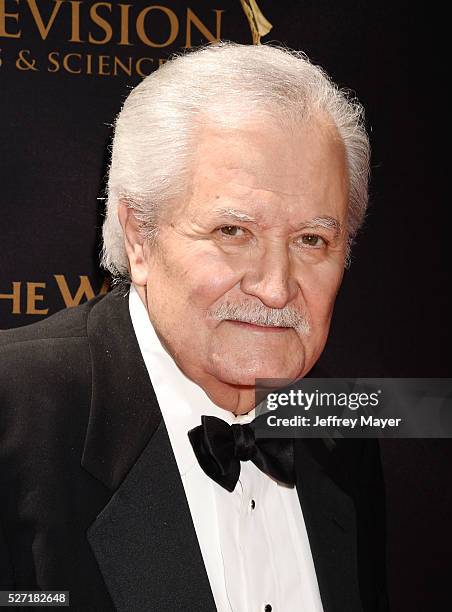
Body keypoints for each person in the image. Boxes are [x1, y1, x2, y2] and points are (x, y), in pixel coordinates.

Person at [0, 42, 388, 611]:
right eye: (233, 231)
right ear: (139, 236)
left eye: (312, 240)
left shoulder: (338, 431)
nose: (276, 287)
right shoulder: (14, 415)